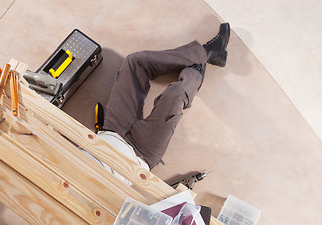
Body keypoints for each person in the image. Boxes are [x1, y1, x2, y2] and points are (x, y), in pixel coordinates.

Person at [87, 23, 230, 183]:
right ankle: (200, 64)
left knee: (134, 62)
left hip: (112, 130)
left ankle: (205, 53)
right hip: (141, 152)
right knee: (175, 94)